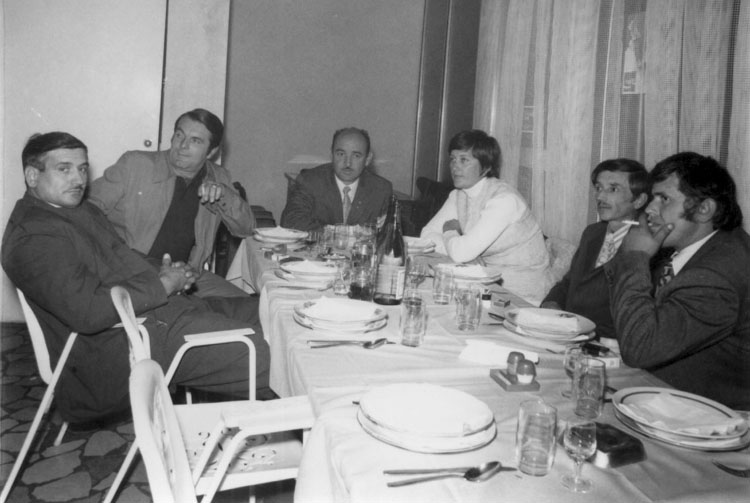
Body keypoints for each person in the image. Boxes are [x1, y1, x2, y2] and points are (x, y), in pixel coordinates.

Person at [2, 132, 272, 424]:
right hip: (123, 348)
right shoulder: (33, 237)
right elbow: (88, 312)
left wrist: (169, 272)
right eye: (64, 169)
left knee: (273, 312)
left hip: (158, 315)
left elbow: (121, 257)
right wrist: (163, 284)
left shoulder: (77, 211)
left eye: (82, 168)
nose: (78, 179)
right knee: (276, 357)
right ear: (32, 176)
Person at [605, 152, 749, 409]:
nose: (650, 209)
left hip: (710, 415)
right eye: (652, 198)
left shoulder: (716, 277)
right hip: (670, 392)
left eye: (664, 199)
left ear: (704, 209)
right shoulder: (704, 245)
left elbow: (640, 348)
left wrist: (635, 257)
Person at [88, 108, 254, 298]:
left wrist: (223, 195)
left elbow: (247, 229)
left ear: (212, 151)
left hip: (190, 276)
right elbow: (86, 210)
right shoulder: (135, 164)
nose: (182, 146)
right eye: (179, 135)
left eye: (195, 141)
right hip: (133, 272)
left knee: (248, 305)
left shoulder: (219, 177)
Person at [420, 129, 552, 305]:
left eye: (464, 160)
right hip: (482, 285)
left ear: (486, 166)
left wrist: (450, 231)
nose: (455, 166)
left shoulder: (505, 200)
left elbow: (460, 252)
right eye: (452, 159)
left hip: (521, 295)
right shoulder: (459, 194)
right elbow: (426, 236)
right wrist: (465, 254)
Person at [542, 159, 650, 339]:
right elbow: (569, 282)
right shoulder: (593, 233)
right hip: (566, 334)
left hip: (605, 343)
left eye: (613, 189)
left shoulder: (644, 246)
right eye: (599, 188)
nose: (600, 197)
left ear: (638, 200)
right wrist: (551, 303)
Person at [280, 127, 392, 231]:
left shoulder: (381, 189)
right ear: (332, 155)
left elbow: (390, 232)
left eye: (356, 156)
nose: (347, 163)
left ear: (367, 159)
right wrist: (338, 233)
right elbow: (291, 222)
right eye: (341, 154)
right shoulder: (309, 181)